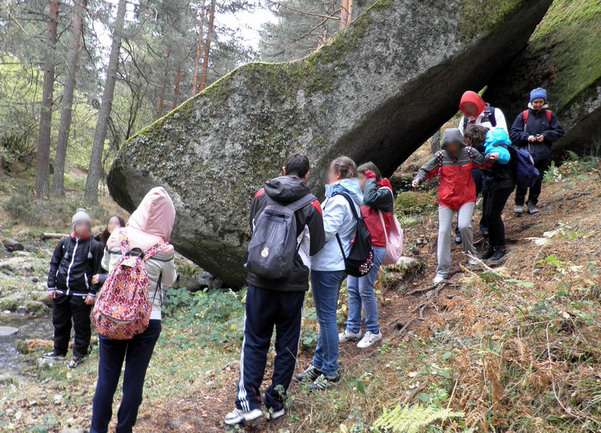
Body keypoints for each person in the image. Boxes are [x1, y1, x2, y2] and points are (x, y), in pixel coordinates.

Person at [225, 154, 325, 425]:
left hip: (260, 279)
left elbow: (255, 229)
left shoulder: (261, 195)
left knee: (255, 340)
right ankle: (276, 402)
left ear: (283, 170)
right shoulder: (312, 204)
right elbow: (316, 245)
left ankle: (248, 403)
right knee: (287, 345)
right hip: (292, 286)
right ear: (306, 174)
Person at [90, 187, 177, 433]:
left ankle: (97, 429)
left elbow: (106, 265)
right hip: (148, 319)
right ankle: (124, 429)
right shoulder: (164, 249)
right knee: (134, 379)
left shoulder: (118, 236)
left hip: (112, 316)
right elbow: (169, 281)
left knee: (106, 376)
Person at [296, 156, 363, 391]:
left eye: (330, 172)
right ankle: (318, 364)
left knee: (326, 320)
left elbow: (324, 232)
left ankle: (331, 371)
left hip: (328, 266)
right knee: (327, 318)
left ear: (338, 175)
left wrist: (303, 232)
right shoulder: (348, 196)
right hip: (334, 263)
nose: (327, 175)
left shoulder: (338, 200)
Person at [412, 129, 499, 284]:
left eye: (455, 144)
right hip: (446, 199)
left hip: (466, 196)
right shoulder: (440, 156)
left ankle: (471, 258)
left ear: (460, 142)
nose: (452, 147)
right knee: (444, 231)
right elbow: (425, 169)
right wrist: (418, 179)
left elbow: (483, 161)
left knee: (464, 226)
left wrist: (492, 158)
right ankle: (442, 270)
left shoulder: (470, 153)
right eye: (449, 145)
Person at [339, 162, 393, 349]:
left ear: (371, 177)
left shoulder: (383, 192)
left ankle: (374, 331)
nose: (358, 182)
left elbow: (370, 199)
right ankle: (353, 329)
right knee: (353, 288)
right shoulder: (363, 194)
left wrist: (370, 180)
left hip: (375, 247)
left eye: (361, 178)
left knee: (365, 289)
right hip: (359, 247)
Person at [44, 208, 103, 369]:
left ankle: (79, 355)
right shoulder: (63, 244)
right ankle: (59, 351)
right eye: (80, 224)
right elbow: (54, 264)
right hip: (61, 291)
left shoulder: (95, 246)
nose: (84, 227)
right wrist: (51, 286)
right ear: (74, 226)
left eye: (87, 224)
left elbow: (97, 271)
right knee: (60, 323)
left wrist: (92, 292)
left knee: (81, 326)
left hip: (82, 294)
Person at [456, 91, 507, 242]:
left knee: (489, 193)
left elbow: (503, 134)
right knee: (468, 192)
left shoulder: (493, 113)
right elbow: (460, 141)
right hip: (472, 164)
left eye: (470, 105)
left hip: (491, 161)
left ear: (477, 102)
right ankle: (460, 228)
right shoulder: (465, 120)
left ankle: (485, 225)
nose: (468, 109)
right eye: (465, 107)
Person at [509, 87, 565, 215]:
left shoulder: (550, 115)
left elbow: (559, 131)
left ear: (544, 102)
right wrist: (526, 137)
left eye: (540, 102)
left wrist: (545, 136)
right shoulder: (523, 116)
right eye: (536, 102)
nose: (538, 104)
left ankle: (532, 203)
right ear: (531, 102)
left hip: (542, 154)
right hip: (526, 154)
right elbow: (513, 134)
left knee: (537, 179)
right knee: (523, 178)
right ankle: (519, 203)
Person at [473, 128, 515, 263]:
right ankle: (492, 247)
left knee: (493, 215)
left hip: (502, 185)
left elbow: (504, 157)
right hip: (492, 185)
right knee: (488, 215)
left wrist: (496, 156)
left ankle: (501, 247)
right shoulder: (488, 147)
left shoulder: (501, 148)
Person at [92, 215, 126, 287]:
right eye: (110, 223)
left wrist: (103, 278)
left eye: (116, 224)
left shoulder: (124, 244)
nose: (112, 226)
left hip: (115, 284)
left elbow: (120, 270)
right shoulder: (100, 240)